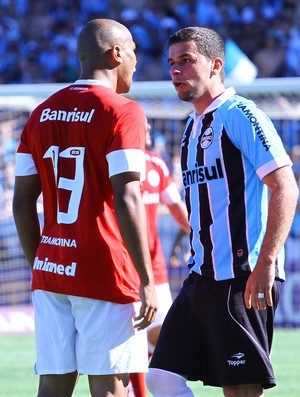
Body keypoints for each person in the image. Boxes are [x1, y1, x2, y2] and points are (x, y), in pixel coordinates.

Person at [146, 26, 299, 397]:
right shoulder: (191, 127)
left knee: (240, 390)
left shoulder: (241, 115)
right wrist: (187, 237)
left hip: (241, 277)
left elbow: (285, 187)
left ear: (216, 65)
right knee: (160, 377)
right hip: (201, 277)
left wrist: (265, 265)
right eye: (171, 63)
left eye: (186, 61)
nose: (176, 71)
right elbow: (205, 201)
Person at [12, 18, 158, 397]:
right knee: (110, 389)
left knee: (53, 386)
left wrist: (40, 263)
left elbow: (22, 203)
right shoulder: (123, 112)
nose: (136, 63)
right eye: (134, 53)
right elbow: (127, 197)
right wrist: (146, 280)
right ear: (116, 53)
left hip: (51, 271)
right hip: (104, 270)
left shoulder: (41, 113)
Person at [129, 124, 189, 397]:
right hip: (123, 269)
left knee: (162, 340)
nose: (150, 127)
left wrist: (199, 238)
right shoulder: (113, 161)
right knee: (129, 343)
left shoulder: (156, 164)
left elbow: (178, 210)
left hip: (156, 270)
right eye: (143, 124)